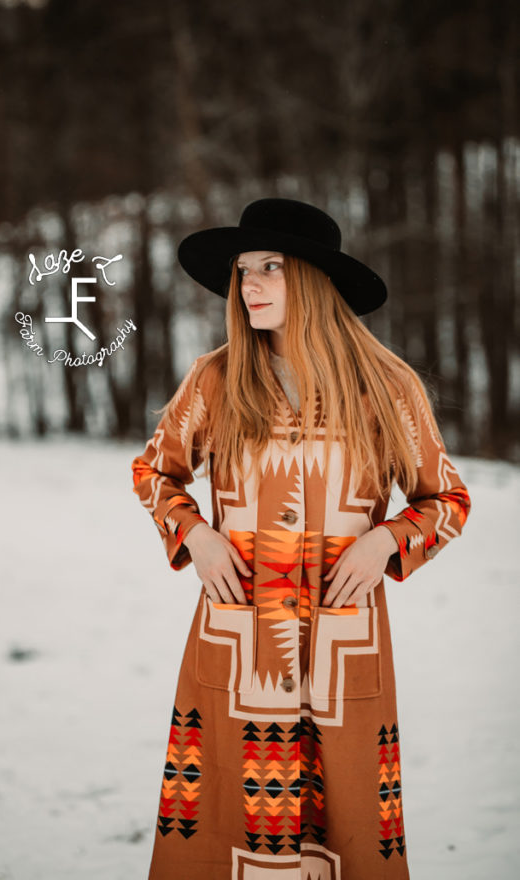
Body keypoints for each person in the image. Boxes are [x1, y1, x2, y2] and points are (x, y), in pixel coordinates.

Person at [131, 198, 471, 879]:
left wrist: (387, 542)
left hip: (341, 652)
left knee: (344, 835)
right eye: (241, 270)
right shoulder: (216, 379)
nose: (247, 285)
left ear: (314, 280)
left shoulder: (387, 387)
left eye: (270, 268)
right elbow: (153, 473)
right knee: (222, 831)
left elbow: (446, 500)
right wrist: (195, 534)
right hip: (237, 647)